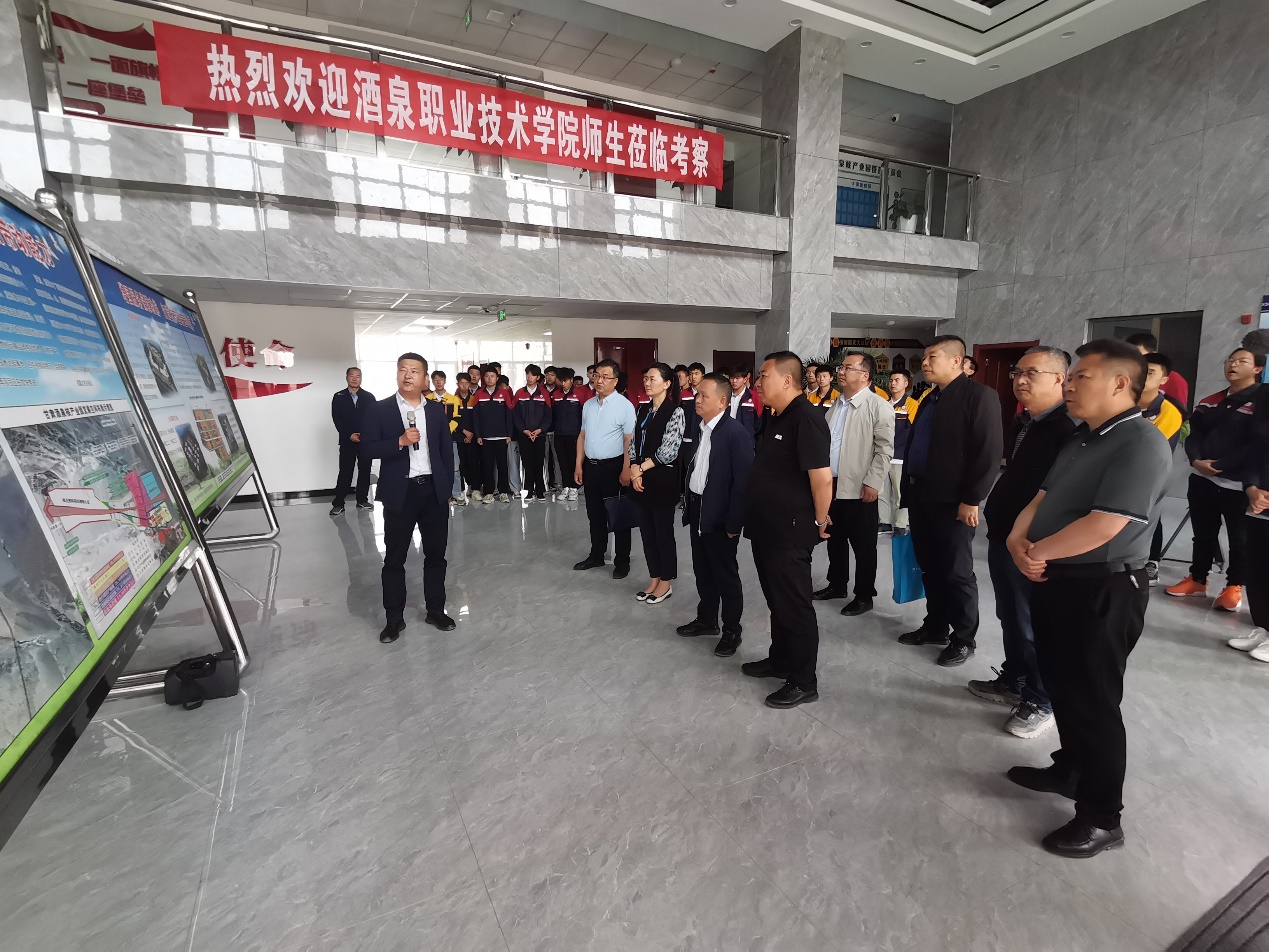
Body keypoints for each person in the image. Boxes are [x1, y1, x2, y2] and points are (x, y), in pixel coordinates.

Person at [1005, 338, 1171, 858]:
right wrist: (1017, 539)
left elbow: (1105, 525)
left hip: (1104, 586)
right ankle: (1071, 770)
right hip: (1059, 578)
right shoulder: (1084, 437)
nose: (1070, 386)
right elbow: (1042, 497)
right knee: (1062, 682)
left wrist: (1037, 553)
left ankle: (1102, 818)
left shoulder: (1141, 443)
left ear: (1120, 383)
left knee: (1094, 700)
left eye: (1081, 377)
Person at [969, 346, 1077, 740]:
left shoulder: (1068, 430)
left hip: (1035, 543)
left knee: (1035, 624)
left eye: (1032, 373)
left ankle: (1041, 699)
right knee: (1011, 615)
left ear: (1060, 379)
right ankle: (1014, 679)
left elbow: (1060, 496)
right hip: (1005, 535)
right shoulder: (1025, 422)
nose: (1020, 380)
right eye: (1017, 372)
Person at [898, 335, 1003, 666]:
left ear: (957, 361)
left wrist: (971, 499)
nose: (925, 363)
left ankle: (964, 638)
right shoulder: (930, 398)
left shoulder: (979, 396)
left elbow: (988, 453)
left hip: (953, 501)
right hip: (922, 495)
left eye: (932, 357)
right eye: (924, 357)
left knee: (957, 571)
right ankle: (935, 626)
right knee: (930, 566)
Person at [741, 351, 832, 709]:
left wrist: (821, 520)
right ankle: (780, 659)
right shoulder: (777, 415)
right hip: (767, 526)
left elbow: (822, 478)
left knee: (794, 605)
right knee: (776, 600)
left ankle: (804, 681)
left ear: (787, 380)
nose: (758, 383)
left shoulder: (806, 418)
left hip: (789, 530)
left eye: (763, 376)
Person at [360, 353, 457, 642]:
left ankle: (436, 610)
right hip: (400, 493)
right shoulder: (380, 410)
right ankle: (394, 619)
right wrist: (399, 442)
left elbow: (445, 452)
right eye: (403, 369)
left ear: (425, 378)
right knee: (394, 559)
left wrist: (446, 489)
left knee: (436, 556)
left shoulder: (436, 411)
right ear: (397, 374)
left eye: (415, 371)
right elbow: (366, 449)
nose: (408, 375)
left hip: (433, 492)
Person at [1166, 348, 1265, 610]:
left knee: (1239, 538)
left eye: (1242, 361)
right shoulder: (1212, 400)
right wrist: (1195, 460)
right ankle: (1198, 579)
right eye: (1230, 360)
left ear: (1257, 369)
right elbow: (1193, 433)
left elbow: (1257, 443)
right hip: (1202, 478)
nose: (1233, 365)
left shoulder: (1261, 402)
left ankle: (1234, 586)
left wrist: (1221, 465)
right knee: (1203, 534)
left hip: (1239, 484)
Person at [677, 373, 753, 657]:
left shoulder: (735, 433)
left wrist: (734, 523)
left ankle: (732, 630)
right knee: (703, 570)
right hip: (699, 509)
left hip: (721, 516)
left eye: (703, 396)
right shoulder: (702, 428)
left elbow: (742, 484)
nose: (697, 400)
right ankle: (707, 619)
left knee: (725, 575)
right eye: (697, 394)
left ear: (722, 402)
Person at [815, 353, 894, 616]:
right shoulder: (836, 404)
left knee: (863, 546)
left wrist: (873, 482)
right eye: (841, 367)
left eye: (848, 368)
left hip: (859, 488)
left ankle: (864, 595)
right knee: (834, 539)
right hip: (832, 485)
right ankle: (837, 584)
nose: (841, 371)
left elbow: (884, 450)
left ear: (865, 375)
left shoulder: (878, 406)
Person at [574, 358, 636, 579]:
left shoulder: (625, 406)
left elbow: (629, 440)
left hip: (614, 467)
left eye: (605, 377)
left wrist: (627, 469)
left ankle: (622, 561)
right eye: (596, 375)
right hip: (591, 467)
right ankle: (597, 555)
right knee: (595, 514)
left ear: (615, 381)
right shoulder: (589, 405)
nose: (599, 380)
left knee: (619, 516)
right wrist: (578, 464)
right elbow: (582, 436)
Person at [630, 363, 686, 605]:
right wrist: (634, 469)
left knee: (663, 533)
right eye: (646, 378)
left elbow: (669, 451)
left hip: (662, 480)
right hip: (640, 479)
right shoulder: (643, 410)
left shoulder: (675, 412)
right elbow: (634, 443)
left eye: (652, 378)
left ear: (667, 383)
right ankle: (654, 578)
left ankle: (666, 582)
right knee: (647, 533)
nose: (647, 382)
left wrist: (640, 468)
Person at [1138, 354, 1185, 584]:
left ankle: (1152, 561)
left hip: (1149, 476)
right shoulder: (1123, 402)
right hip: (1119, 472)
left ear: (1164, 380)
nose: (1143, 376)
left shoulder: (1169, 411)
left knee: (1150, 518)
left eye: (1150, 372)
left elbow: (1148, 446)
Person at [330, 366, 376, 515]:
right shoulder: (339, 396)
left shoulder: (369, 397)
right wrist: (348, 435)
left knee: (365, 471)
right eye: (352, 375)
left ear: (361, 378)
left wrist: (366, 435)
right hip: (347, 441)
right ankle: (338, 503)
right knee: (345, 472)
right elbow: (337, 419)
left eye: (358, 376)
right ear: (347, 378)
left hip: (365, 441)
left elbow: (374, 419)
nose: (355, 378)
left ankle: (362, 500)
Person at [470, 364, 515, 504]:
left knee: (503, 465)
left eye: (492, 376)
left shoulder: (504, 393)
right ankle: (489, 492)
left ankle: (503, 492)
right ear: (484, 378)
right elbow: (475, 417)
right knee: (487, 466)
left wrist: (509, 434)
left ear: (497, 378)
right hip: (485, 437)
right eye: (487, 376)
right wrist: (478, 435)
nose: (490, 379)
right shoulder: (479, 394)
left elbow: (509, 415)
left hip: (502, 436)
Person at [882, 369, 919, 534]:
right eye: (891, 380)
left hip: (900, 456)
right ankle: (884, 521)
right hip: (882, 456)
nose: (893, 383)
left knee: (899, 492)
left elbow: (912, 432)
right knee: (882, 492)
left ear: (906, 383)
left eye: (897, 380)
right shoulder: (884, 403)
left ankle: (901, 523)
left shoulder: (912, 405)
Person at [513, 364, 553, 502]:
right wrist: (524, 430)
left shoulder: (544, 394)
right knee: (527, 463)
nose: (529, 377)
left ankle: (540, 490)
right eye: (527, 374)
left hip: (539, 435)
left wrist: (540, 429)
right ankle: (528, 491)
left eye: (532, 375)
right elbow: (515, 415)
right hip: (524, 435)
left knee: (539, 462)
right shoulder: (519, 393)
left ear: (537, 377)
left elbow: (548, 415)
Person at [427, 370, 464, 506]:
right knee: (434, 466)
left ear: (445, 381)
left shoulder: (454, 399)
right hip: (432, 439)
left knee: (454, 466)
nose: (439, 382)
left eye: (441, 379)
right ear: (432, 381)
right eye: (435, 379)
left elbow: (457, 418)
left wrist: (446, 431)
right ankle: (439, 493)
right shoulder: (427, 399)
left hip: (450, 438)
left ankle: (456, 494)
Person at [1127, 332, 1190, 407]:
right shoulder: (1124, 375)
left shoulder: (1174, 379)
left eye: (1139, 355)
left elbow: (1179, 409)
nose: (1134, 360)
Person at [551, 366, 586, 501]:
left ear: (571, 380)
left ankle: (574, 488)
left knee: (574, 461)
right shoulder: (556, 395)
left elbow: (584, 415)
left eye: (565, 380)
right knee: (562, 461)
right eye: (561, 381)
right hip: (559, 434)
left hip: (575, 435)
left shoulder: (580, 394)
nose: (563, 383)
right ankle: (566, 486)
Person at [453, 372, 478, 505]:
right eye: (461, 383)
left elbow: (477, 419)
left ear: (469, 384)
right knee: (461, 464)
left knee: (473, 462)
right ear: (457, 384)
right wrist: (464, 432)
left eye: (466, 383)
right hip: (459, 437)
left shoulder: (474, 399)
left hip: (473, 437)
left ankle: (475, 488)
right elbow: (452, 420)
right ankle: (461, 490)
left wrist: (471, 433)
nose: (464, 385)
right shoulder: (454, 400)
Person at [727, 367, 764, 438]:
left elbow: (759, 420)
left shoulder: (754, 396)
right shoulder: (725, 395)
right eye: (732, 378)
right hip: (727, 436)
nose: (734, 381)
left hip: (746, 438)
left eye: (737, 378)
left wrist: (750, 435)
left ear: (745, 379)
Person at [543, 366, 563, 493]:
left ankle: (558, 483)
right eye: (547, 374)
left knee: (557, 458)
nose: (549, 377)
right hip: (543, 431)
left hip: (557, 430)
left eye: (552, 375)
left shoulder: (560, 391)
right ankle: (546, 484)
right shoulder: (540, 390)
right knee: (545, 458)